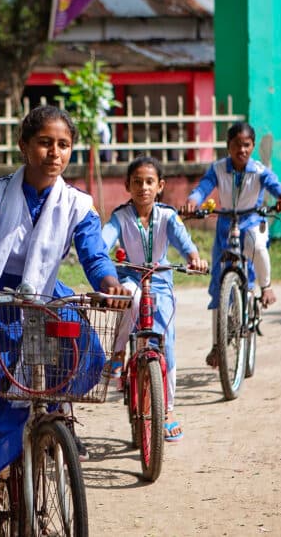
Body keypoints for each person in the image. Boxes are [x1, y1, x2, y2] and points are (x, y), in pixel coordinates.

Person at [0, 105, 129, 537]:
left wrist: (110, 283)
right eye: (44, 142)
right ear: (25, 146)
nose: (54, 153)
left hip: (44, 301)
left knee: (74, 354)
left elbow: (94, 252)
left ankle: (49, 431)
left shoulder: (76, 203)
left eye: (63, 145)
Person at [101, 156, 208, 442]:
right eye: (137, 182)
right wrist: (97, 252)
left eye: (149, 182)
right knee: (131, 300)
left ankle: (168, 409)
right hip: (131, 278)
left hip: (160, 282)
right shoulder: (120, 216)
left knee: (167, 343)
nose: (143, 188)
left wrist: (194, 258)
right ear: (127, 185)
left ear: (160, 186)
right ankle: (118, 352)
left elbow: (184, 243)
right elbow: (104, 241)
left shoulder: (168, 216)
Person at [179, 122, 281, 368]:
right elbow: (202, 189)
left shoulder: (260, 170)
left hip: (252, 219)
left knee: (258, 248)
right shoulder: (218, 168)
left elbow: (276, 187)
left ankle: (267, 287)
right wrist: (192, 202)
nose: (241, 150)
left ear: (252, 145)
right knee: (219, 286)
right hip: (226, 225)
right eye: (236, 145)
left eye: (246, 145)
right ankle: (218, 345)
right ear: (228, 146)